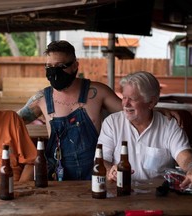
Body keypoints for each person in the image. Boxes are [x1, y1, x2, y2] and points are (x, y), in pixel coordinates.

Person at [18, 40, 180, 181]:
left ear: (75, 66)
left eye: (60, 66)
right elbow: (14, 121)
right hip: (59, 176)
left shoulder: (97, 92)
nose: (54, 72)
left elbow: (130, 110)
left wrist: (157, 109)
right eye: (49, 66)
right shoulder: (41, 99)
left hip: (96, 173)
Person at [98, 71, 192, 193]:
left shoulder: (169, 125)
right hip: (120, 193)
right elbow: (102, 160)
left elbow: (184, 155)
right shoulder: (112, 123)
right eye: (124, 97)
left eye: (132, 99)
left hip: (158, 197)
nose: (125, 103)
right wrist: (110, 171)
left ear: (151, 102)